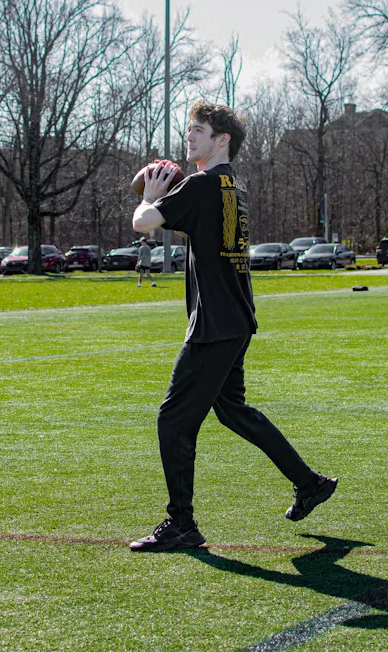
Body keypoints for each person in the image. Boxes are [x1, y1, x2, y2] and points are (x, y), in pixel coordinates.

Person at [128, 101, 337, 552]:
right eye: (189, 130)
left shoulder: (202, 183)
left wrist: (150, 195)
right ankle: (310, 483)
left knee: (173, 421)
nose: (190, 138)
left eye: (198, 131)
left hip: (215, 323)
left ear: (222, 140)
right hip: (237, 316)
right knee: (232, 411)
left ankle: (181, 523)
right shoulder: (232, 187)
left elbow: (143, 223)